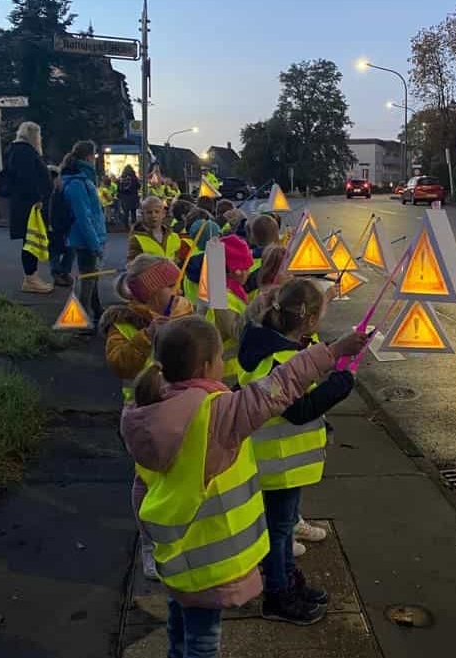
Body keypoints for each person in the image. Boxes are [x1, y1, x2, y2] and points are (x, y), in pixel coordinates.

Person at [120, 316, 366, 657]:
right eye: (221, 358)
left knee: (179, 621)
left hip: (172, 550)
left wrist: (150, 541)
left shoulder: (146, 410)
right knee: (204, 639)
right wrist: (334, 351)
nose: (225, 364)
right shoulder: (218, 415)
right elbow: (279, 386)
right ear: (207, 366)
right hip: (210, 559)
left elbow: (140, 487)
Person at [238, 278, 358, 624]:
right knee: (278, 532)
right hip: (276, 463)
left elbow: (309, 357)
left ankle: (289, 582)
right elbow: (299, 410)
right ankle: (277, 595)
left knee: (283, 528)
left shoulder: (268, 341)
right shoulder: (278, 356)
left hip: (278, 461)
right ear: (307, 321)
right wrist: (342, 382)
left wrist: (336, 350)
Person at [99, 254, 194, 580]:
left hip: (179, 408)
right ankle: (150, 545)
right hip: (142, 417)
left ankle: (177, 536)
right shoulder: (123, 322)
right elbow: (119, 364)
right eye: (170, 285)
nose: (177, 290)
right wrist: (148, 335)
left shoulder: (181, 310)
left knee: (177, 478)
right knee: (148, 483)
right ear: (151, 292)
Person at [2, 121, 54, 293]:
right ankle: (30, 279)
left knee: (30, 240)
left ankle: (32, 277)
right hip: (29, 205)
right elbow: (27, 179)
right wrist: (37, 198)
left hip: (25, 204)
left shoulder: (17, 151)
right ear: (33, 135)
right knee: (30, 241)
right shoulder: (24, 152)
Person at [60, 140, 106, 326]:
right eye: (94, 156)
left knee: (92, 276)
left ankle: (96, 309)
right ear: (89, 156)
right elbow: (83, 216)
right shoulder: (78, 182)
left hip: (88, 237)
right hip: (86, 239)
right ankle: (82, 321)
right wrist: (95, 244)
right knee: (87, 279)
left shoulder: (80, 179)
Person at [203, 234, 253, 388]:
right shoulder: (221, 297)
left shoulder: (220, 287)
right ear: (231, 270)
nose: (247, 273)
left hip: (230, 368)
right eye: (244, 268)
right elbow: (240, 332)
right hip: (227, 373)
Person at [45, 165, 75, 287]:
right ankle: (58, 273)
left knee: (69, 249)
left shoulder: (59, 192)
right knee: (55, 251)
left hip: (62, 225)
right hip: (53, 227)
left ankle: (63, 272)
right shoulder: (49, 193)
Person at [127, 196, 182, 263]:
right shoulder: (136, 239)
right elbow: (132, 266)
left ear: (163, 213)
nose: (153, 215)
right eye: (149, 212)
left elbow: (178, 261)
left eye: (157, 211)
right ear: (142, 215)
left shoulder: (174, 236)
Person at [118, 165, 141, 230]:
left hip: (125, 198)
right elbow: (138, 186)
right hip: (133, 197)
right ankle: (134, 226)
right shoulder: (134, 178)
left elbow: (119, 189)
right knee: (133, 213)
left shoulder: (121, 178)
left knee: (126, 213)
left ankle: (126, 227)